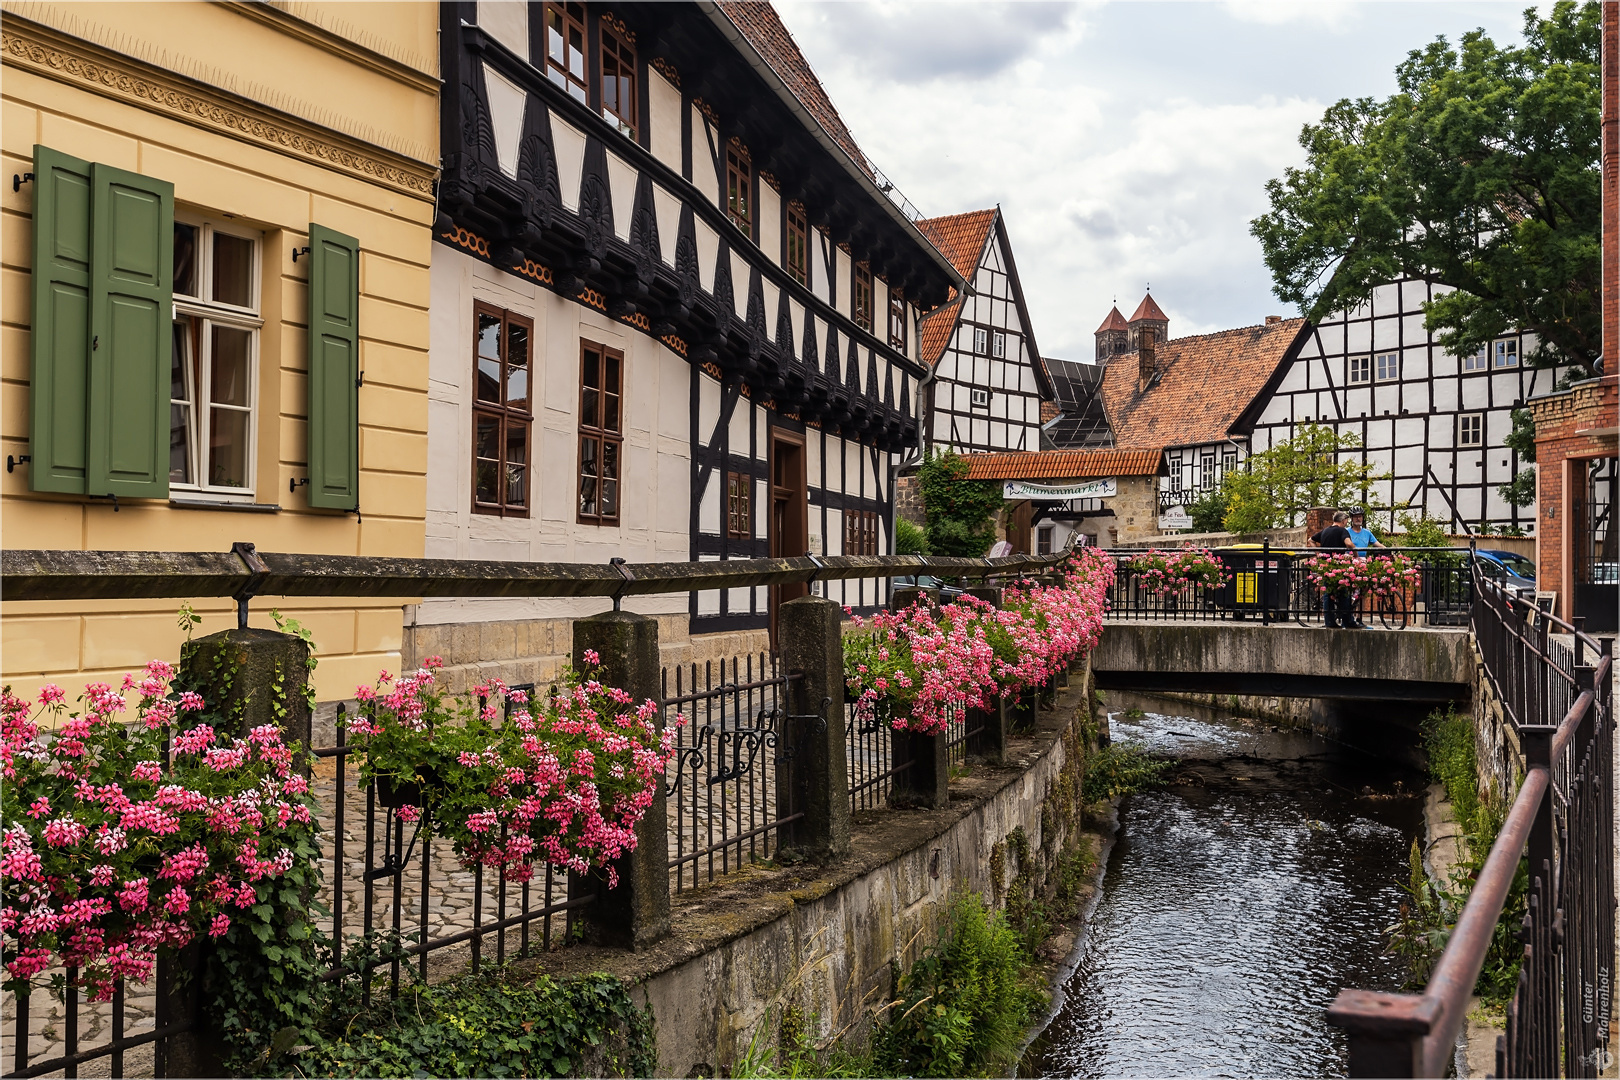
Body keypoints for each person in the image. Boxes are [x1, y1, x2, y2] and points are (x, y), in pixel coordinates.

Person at [1310, 510, 1360, 629]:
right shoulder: (1342, 531)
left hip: (1326, 565)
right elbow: (1348, 543)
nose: (1346, 523)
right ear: (1343, 521)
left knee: (1328, 593)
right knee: (1344, 592)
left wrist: (1318, 553)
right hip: (1338, 566)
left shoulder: (1325, 530)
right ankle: (1348, 621)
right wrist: (1355, 553)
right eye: (1346, 521)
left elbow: (1311, 540)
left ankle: (1330, 622)